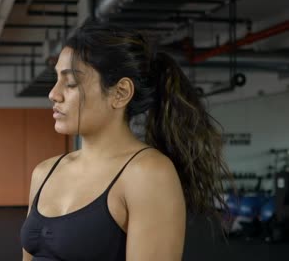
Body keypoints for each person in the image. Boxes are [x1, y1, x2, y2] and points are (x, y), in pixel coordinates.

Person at [20, 20, 231, 261]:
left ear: (120, 93)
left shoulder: (147, 173)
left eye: (70, 83)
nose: (53, 94)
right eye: (56, 79)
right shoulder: (44, 172)